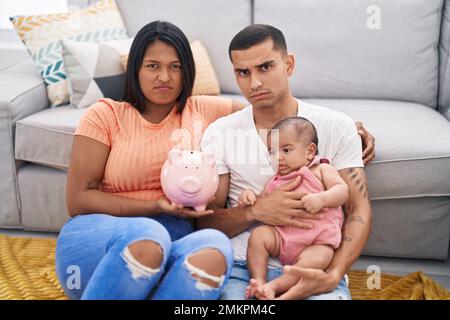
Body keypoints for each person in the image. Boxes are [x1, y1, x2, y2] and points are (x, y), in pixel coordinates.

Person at [55, 20, 245, 300]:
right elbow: (77, 200)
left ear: (187, 72)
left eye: (175, 66)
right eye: (153, 66)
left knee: (215, 246)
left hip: (173, 245)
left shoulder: (203, 109)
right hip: (99, 242)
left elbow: (268, 117)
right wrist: (153, 206)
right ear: (136, 70)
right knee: (148, 231)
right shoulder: (105, 115)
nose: (165, 77)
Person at [199, 24, 374, 300]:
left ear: (288, 64)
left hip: (316, 267)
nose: (254, 82)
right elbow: (206, 222)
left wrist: (334, 274)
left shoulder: (336, 125)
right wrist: (255, 211)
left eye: (265, 67)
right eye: (243, 72)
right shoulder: (220, 133)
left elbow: (358, 210)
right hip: (244, 268)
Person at [239, 117, 348, 299]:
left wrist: (322, 198)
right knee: (258, 236)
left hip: (316, 242)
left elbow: (342, 191)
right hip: (282, 238)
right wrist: (249, 196)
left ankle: (274, 286)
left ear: (310, 151)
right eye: (272, 152)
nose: (278, 157)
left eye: (286, 150)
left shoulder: (321, 170)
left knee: (321, 257)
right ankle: (258, 280)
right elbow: (263, 203)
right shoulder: (275, 181)